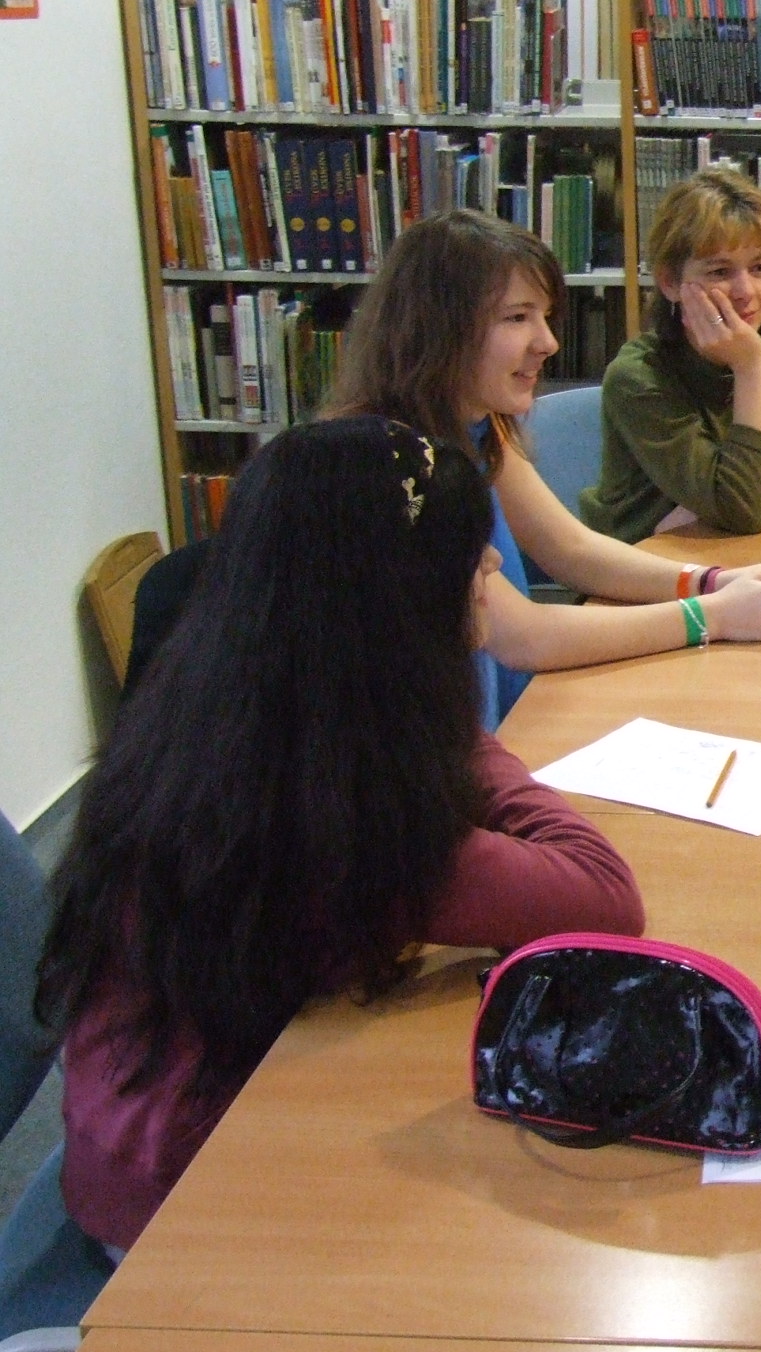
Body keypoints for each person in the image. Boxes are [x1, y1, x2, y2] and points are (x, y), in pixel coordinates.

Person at [36, 418, 647, 1254]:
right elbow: (603, 896)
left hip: (121, 1137)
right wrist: (450, 729)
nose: (492, 566)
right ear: (403, 604)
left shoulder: (209, 706)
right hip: (190, 1220)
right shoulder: (352, 811)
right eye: (470, 553)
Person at [328, 208, 761, 727]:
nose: (548, 343)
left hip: (511, 716)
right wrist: (715, 616)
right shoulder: (393, 467)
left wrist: (715, 581)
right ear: (438, 329)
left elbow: (571, 550)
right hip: (458, 738)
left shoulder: (477, 423)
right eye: (517, 318)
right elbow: (523, 637)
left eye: (544, 317)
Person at [581, 167, 761, 542]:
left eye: (759, 268)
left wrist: (724, 500)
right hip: (641, 556)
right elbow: (741, 510)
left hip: (738, 551)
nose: (746, 291)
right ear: (670, 282)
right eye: (720, 272)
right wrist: (750, 367)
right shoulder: (638, 376)